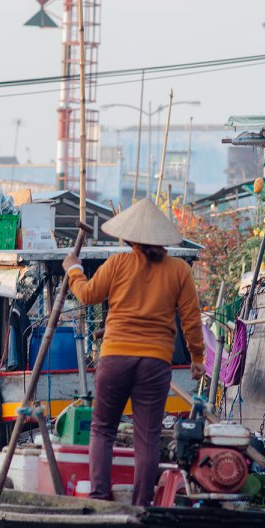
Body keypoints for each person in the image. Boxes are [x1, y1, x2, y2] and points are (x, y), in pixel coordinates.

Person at [64, 199, 204, 506]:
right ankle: (142, 505)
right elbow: (191, 321)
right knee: (147, 438)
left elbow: (86, 294)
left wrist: (73, 269)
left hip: (115, 356)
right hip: (155, 362)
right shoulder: (179, 270)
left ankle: (100, 498)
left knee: (102, 430)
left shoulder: (117, 264)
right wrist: (197, 359)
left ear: (129, 238)